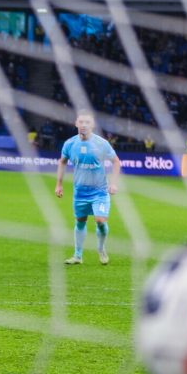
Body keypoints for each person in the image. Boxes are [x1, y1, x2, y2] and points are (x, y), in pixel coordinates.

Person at [55, 110, 121, 265]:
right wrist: (59, 184)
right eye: (81, 122)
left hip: (100, 191)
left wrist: (114, 183)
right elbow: (62, 162)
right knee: (80, 221)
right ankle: (78, 256)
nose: (84, 125)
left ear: (93, 125)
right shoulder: (70, 144)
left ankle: (101, 248)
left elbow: (116, 162)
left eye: (87, 122)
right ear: (76, 123)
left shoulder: (101, 143)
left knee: (100, 220)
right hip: (80, 192)